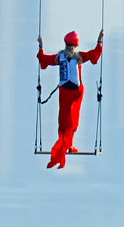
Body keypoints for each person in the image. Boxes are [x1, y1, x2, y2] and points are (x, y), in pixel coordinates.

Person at [37, 30, 104, 169]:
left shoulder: (60, 57)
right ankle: (69, 144)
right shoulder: (78, 57)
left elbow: (44, 59)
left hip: (67, 92)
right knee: (70, 118)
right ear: (75, 45)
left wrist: (41, 47)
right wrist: (99, 40)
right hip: (73, 93)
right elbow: (94, 54)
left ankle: (67, 144)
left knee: (66, 118)